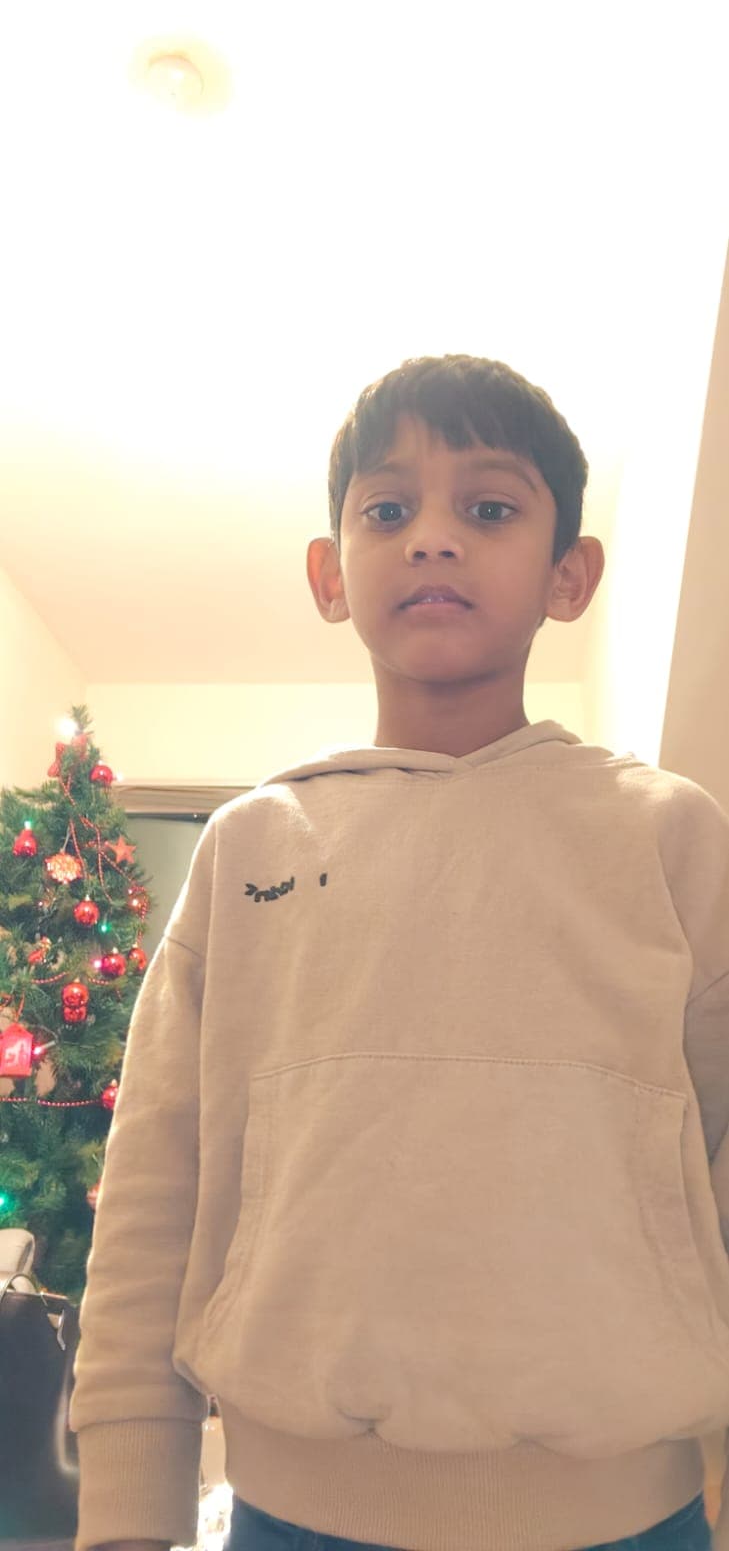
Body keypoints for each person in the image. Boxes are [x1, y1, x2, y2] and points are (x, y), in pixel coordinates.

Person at [70, 354, 729, 1551]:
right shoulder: (245, 845)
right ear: (331, 574)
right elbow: (153, 1190)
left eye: (488, 507)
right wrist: (127, 1511)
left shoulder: (672, 836)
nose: (432, 538)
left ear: (568, 574)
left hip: (632, 1519)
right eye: (388, 509)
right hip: (290, 1516)